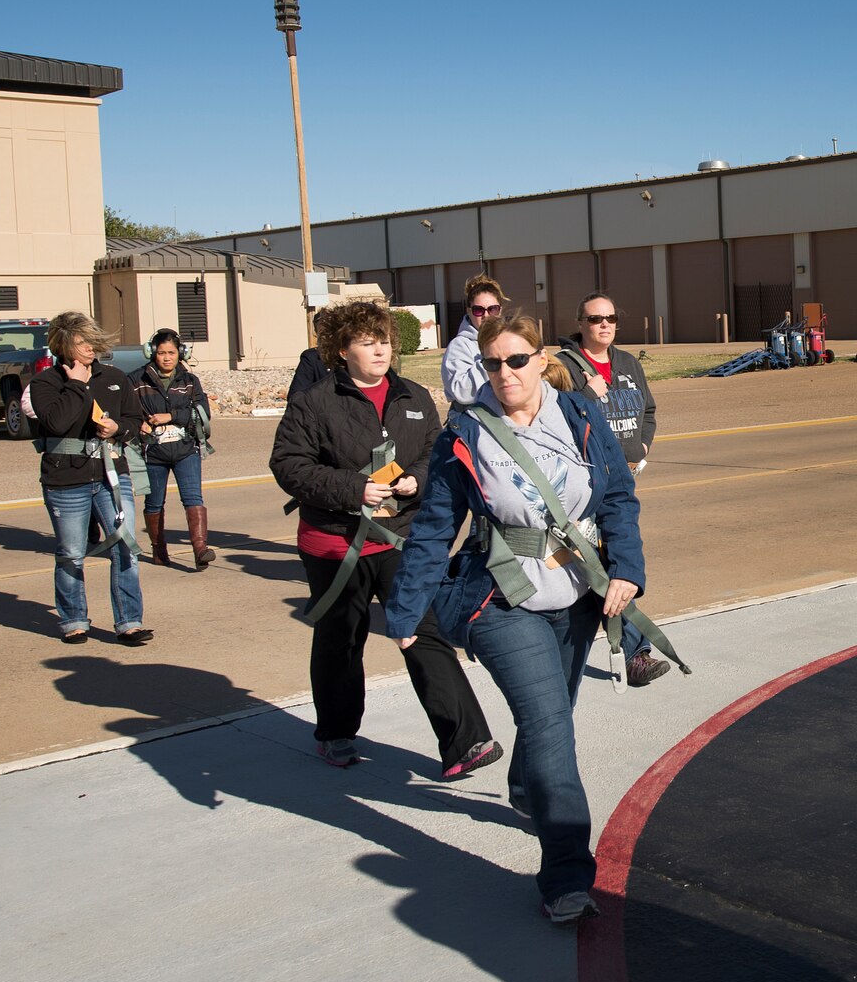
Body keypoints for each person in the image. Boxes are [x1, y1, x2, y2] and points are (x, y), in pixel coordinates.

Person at [386, 312, 673, 926]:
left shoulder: (579, 416)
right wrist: (408, 611)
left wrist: (625, 568)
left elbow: (618, 495)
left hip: (576, 592)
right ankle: (567, 875)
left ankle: (526, 788)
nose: (505, 373)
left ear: (542, 359)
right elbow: (435, 528)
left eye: (517, 360)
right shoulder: (465, 431)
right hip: (501, 599)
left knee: (553, 717)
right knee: (549, 724)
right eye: (492, 363)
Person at [269, 299, 500, 776]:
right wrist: (354, 488)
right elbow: (289, 465)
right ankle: (335, 733)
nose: (380, 351)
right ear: (341, 350)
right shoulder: (313, 402)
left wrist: (418, 476)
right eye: (367, 342)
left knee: (423, 632)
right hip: (336, 543)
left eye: (386, 342)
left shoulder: (414, 397)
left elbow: (439, 449)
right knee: (342, 641)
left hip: (401, 538)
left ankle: (466, 742)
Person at [555, 291, 668, 686]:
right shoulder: (565, 366)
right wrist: (587, 395)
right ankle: (635, 653)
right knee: (602, 567)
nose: (604, 324)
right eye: (594, 318)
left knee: (613, 563)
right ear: (580, 323)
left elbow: (647, 411)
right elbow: (553, 417)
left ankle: (630, 650)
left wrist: (642, 446)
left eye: (610, 318)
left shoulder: (628, 363)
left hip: (621, 483)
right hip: (584, 485)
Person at [30, 312, 151, 644]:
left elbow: (132, 419)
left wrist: (118, 429)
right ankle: (73, 620)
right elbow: (56, 423)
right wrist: (76, 386)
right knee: (71, 551)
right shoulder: (45, 383)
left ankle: (130, 622)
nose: (88, 348)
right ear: (63, 345)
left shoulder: (114, 377)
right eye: (80, 342)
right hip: (65, 478)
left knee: (125, 546)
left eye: (90, 341)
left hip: (111, 474)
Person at [132, 329, 217, 570]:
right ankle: (159, 550)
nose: (166, 357)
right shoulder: (136, 380)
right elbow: (126, 412)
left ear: (180, 353)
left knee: (193, 498)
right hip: (152, 453)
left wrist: (171, 416)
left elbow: (202, 414)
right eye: (161, 353)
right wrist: (139, 424)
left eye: (171, 352)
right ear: (151, 353)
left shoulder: (190, 381)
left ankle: (200, 550)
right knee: (154, 503)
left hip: (185, 449)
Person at [440, 273, 505, 406]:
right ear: (469, 311)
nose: (486, 315)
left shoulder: (510, 341)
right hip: (472, 420)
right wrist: (491, 359)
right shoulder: (459, 346)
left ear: (500, 310)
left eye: (492, 309)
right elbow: (462, 393)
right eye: (478, 310)